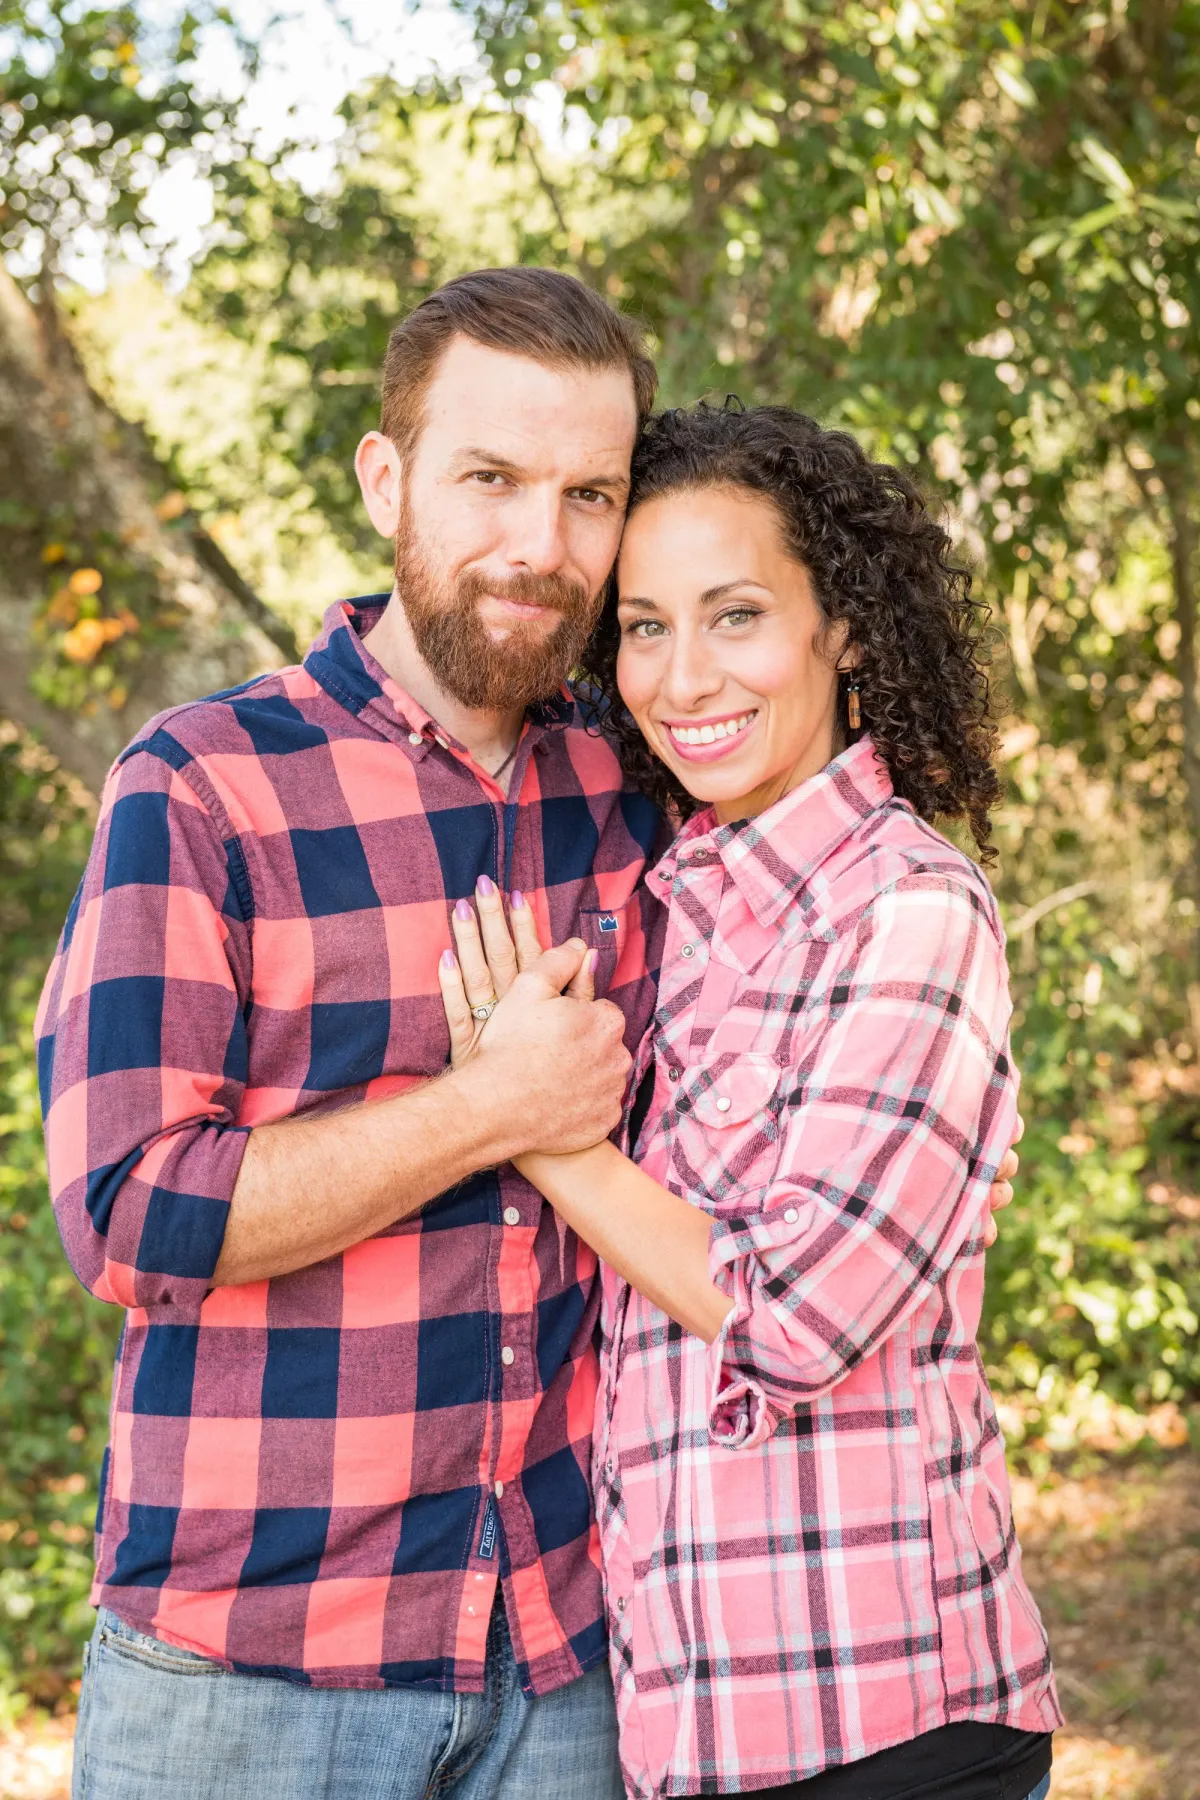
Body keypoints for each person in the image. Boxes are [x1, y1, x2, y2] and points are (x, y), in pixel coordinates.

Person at [38, 269, 1017, 1800]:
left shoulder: (645, 795)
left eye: (587, 496)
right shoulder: (205, 785)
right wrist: (489, 1109)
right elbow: (126, 1216)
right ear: (388, 479)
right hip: (252, 1672)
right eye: (489, 478)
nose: (539, 544)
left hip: (570, 1672)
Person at [437, 402, 1060, 1800]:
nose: (683, 675)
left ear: (845, 628)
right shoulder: (680, 902)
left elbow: (796, 1316)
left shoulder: (910, 907)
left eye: (736, 615)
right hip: (697, 1725)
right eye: (644, 627)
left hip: (881, 1720)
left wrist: (530, 1120)